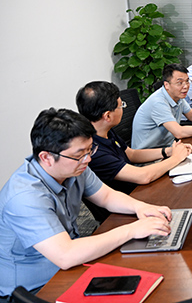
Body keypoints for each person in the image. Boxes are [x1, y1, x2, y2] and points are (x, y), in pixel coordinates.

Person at [0, 108, 172, 299]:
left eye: (90, 150)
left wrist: (141, 207)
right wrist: (132, 230)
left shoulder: (75, 167)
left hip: (70, 265)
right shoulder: (24, 197)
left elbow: (107, 197)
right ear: (46, 157)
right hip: (34, 289)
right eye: (80, 154)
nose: (88, 159)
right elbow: (65, 255)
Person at [76, 81, 192, 222]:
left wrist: (167, 151)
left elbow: (130, 154)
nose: (123, 108)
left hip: (135, 192)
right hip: (121, 212)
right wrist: (175, 158)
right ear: (107, 116)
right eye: (121, 106)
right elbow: (142, 176)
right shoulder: (93, 151)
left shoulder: (103, 130)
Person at [131, 63, 192, 149]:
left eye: (187, 81)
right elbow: (179, 132)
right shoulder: (158, 102)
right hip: (149, 155)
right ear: (166, 85)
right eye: (180, 83)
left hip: (167, 147)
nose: (186, 86)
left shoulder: (177, 96)